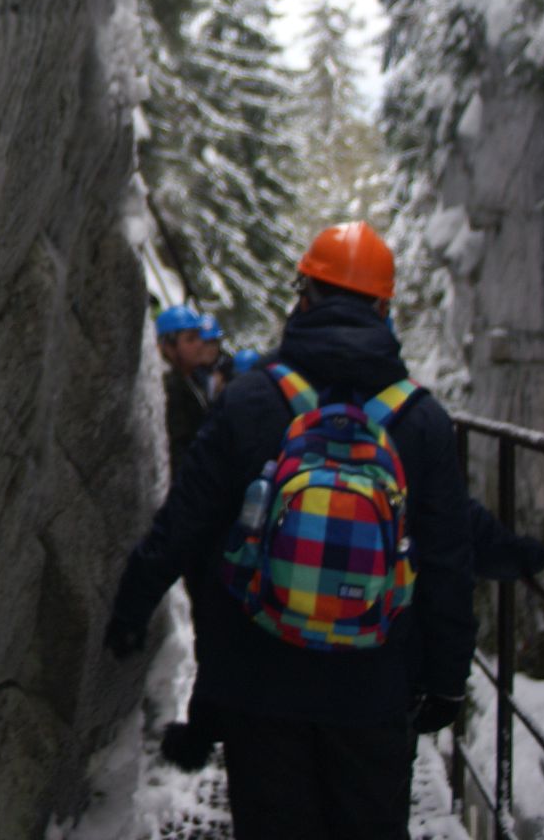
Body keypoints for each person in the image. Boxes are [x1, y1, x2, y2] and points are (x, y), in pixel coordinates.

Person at [105, 222, 475, 840]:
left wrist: (131, 608)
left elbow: (185, 523)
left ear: (303, 298)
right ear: (383, 309)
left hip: (261, 682)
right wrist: (446, 680)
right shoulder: (422, 421)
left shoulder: (249, 401)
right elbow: (446, 562)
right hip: (374, 686)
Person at [157, 304, 213, 478]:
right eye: (190, 339)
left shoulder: (194, 379)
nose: (200, 344)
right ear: (169, 347)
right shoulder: (170, 389)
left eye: (199, 337)